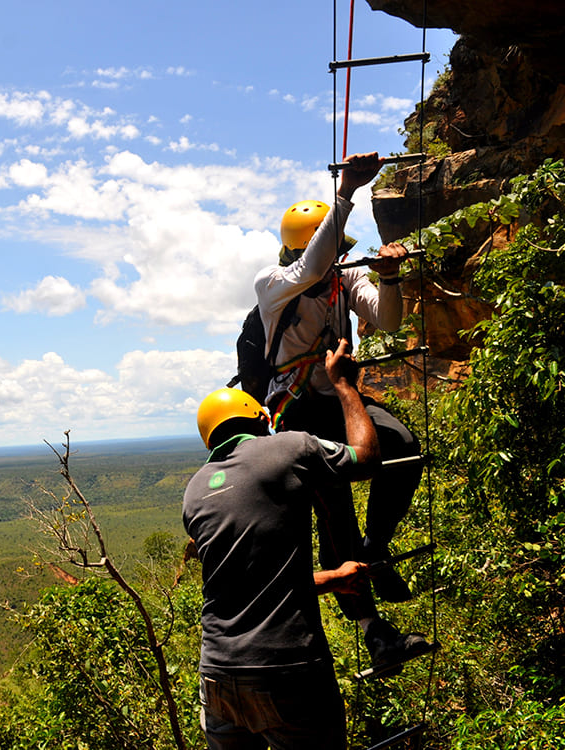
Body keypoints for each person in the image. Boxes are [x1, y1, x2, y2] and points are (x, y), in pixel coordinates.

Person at [183, 341, 424, 750]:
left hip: (218, 677)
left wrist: (333, 578)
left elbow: (255, 585)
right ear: (260, 417)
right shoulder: (288, 447)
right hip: (286, 669)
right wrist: (345, 385)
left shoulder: (194, 490)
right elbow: (366, 458)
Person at [254, 152, 423, 617]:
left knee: (404, 448)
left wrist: (390, 280)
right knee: (334, 509)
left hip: (339, 398)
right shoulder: (274, 282)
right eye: (333, 250)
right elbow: (310, 269)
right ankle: (370, 626)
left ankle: (374, 549)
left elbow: (387, 319)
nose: (341, 258)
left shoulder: (341, 277)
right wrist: (346, 191)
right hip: (297, 408)